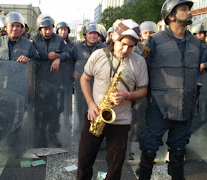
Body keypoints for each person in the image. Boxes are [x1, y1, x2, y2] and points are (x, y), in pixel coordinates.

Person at [137, 0, 207, 180]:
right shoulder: (154, 41)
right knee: (149, 148)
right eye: (184, 9)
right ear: (170, 15)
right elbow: (143, 69)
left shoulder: (196, 43)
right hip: (159, 106)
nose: (189, 12)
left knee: (178, 150)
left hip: (185, 106)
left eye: (189, 9)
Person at [77, 19, 148, 180]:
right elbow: (84, 79)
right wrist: (90, 104)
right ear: (114, 38)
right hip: (95, 115)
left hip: (121, 121)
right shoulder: (98, 55)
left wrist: (128, 95)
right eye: (123, 44)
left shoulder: (139, 61)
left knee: (115, 169)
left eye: (131, 46)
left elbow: (143, 91)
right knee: (84, 163)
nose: (126, 49)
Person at [0, 12, 40, 157]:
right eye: (12, 26)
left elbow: (37, 63)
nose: (15, 29)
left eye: (18, 26)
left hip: (18, 89)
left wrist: (28, 60)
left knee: (17, 119)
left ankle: (13, 147)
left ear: (22, 28)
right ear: (6, 28)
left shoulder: (28, 45)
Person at [30, 14, 71, 148]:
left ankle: (52, 134)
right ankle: (40, 134)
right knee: (39, 110)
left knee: (55, 110)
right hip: (39, 80)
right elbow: (32, 54)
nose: (48, 31)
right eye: (45, 29)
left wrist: (59, 59)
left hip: (55, 81)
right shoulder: (33, 39)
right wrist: (46, 56)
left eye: (50, 28)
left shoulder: (59, 39)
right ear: (40, 29)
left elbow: (67, 53)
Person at [71, 22, 106, 132]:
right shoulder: (77, 47)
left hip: (98, 85)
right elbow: (70, 62)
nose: (93, 36)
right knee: (81, 109)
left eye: (95, 33)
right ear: (85, 35)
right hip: (82, 85)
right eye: (90, 33)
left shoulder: (104, 47)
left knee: (98, 108)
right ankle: (81, 131)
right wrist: (73, 72)